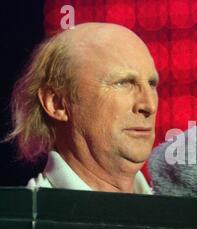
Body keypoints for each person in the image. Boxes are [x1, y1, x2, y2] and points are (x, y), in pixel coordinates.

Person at [4, 22, 158, 194]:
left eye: (152, 84)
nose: (149, 105)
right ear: (57, 104)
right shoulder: (21, 218)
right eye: (123, 83)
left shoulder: (177, 214)